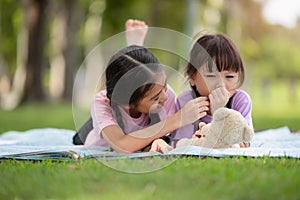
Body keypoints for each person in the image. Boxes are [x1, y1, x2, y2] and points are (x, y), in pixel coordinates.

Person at [84, 30, 209, 153]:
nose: (165, 97)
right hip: (101, 144)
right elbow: (122, 145)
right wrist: (179, 118)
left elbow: (167, 138)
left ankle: (134, 44)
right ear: (128, 103)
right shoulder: (102, 102)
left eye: (164, 85)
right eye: (155, 98)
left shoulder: (165, 94)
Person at [172, 33, 253, 148]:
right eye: (211, 76)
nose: (221, 85)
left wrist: (219, 112)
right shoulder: (187, 101)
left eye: (229, 77)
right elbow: (181, 145)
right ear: (192, 78)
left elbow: (243, 144)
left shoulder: (240, 101)